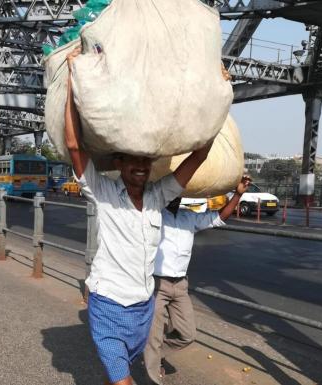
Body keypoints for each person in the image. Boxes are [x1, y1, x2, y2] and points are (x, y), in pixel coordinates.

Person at [64, 47, 213, 385]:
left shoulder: (159, 196)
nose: (141, 167)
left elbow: (198, 157)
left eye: (146, 161)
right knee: (123, 380)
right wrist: (73, 80)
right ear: (118, 162)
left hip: (143, 307)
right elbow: (75, 147)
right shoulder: (102, 192)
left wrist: (216, 95)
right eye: (133, 160)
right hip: (107, 304)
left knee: (120, 374)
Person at [143, 177, 251, 384]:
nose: (174, 198)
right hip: (156, 284)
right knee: (153, 336)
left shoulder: (189, 218)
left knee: (187, 334)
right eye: (170, 193)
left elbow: (220, 217)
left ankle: (155, 354)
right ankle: (152, 373)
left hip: (180, 285)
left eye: (178, 194)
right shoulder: (152, 215)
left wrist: (238, 194)